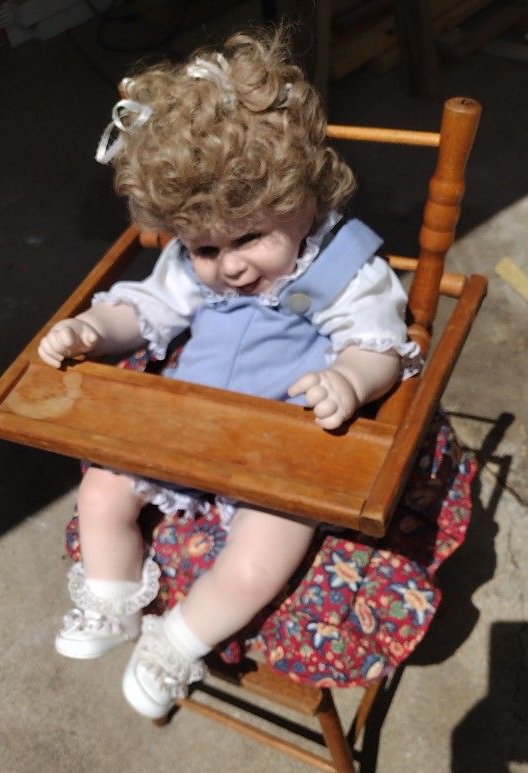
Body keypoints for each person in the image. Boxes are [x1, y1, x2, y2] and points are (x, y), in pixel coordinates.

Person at [38, 29, 421, 720]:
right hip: (188, 418)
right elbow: (148, 311)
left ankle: (177, 640)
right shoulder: (195, 260)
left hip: (280, 446)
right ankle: (111, 594)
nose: (231, 266)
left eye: (249, 239)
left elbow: (381, 345)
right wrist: (95, 331)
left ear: (303, 192)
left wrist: (351, 381)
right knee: (100, 489)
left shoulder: (339, 267)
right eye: (206, 247)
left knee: (256, 562)